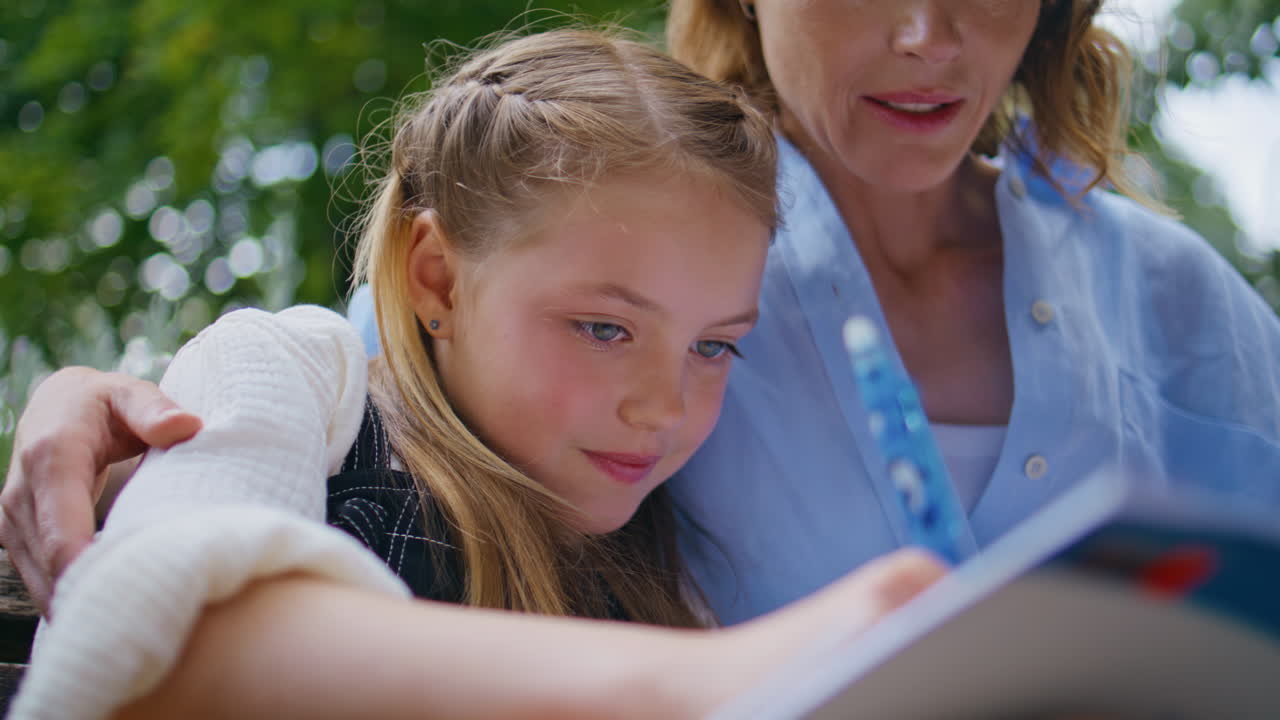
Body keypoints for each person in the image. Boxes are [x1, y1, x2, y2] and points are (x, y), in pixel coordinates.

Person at [6, 0, 1280, 689]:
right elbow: (322, 390)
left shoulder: (1186, 297)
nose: (922, 33)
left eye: (722, 348)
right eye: (609, 327)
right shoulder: (634, 215)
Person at [6, 27, 947, 720]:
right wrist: (742, 672)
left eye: (714, 346)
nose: (665, 405)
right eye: (603, 327)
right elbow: (143, 646)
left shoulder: (670, 569)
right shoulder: (297, 373)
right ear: (436, 277)